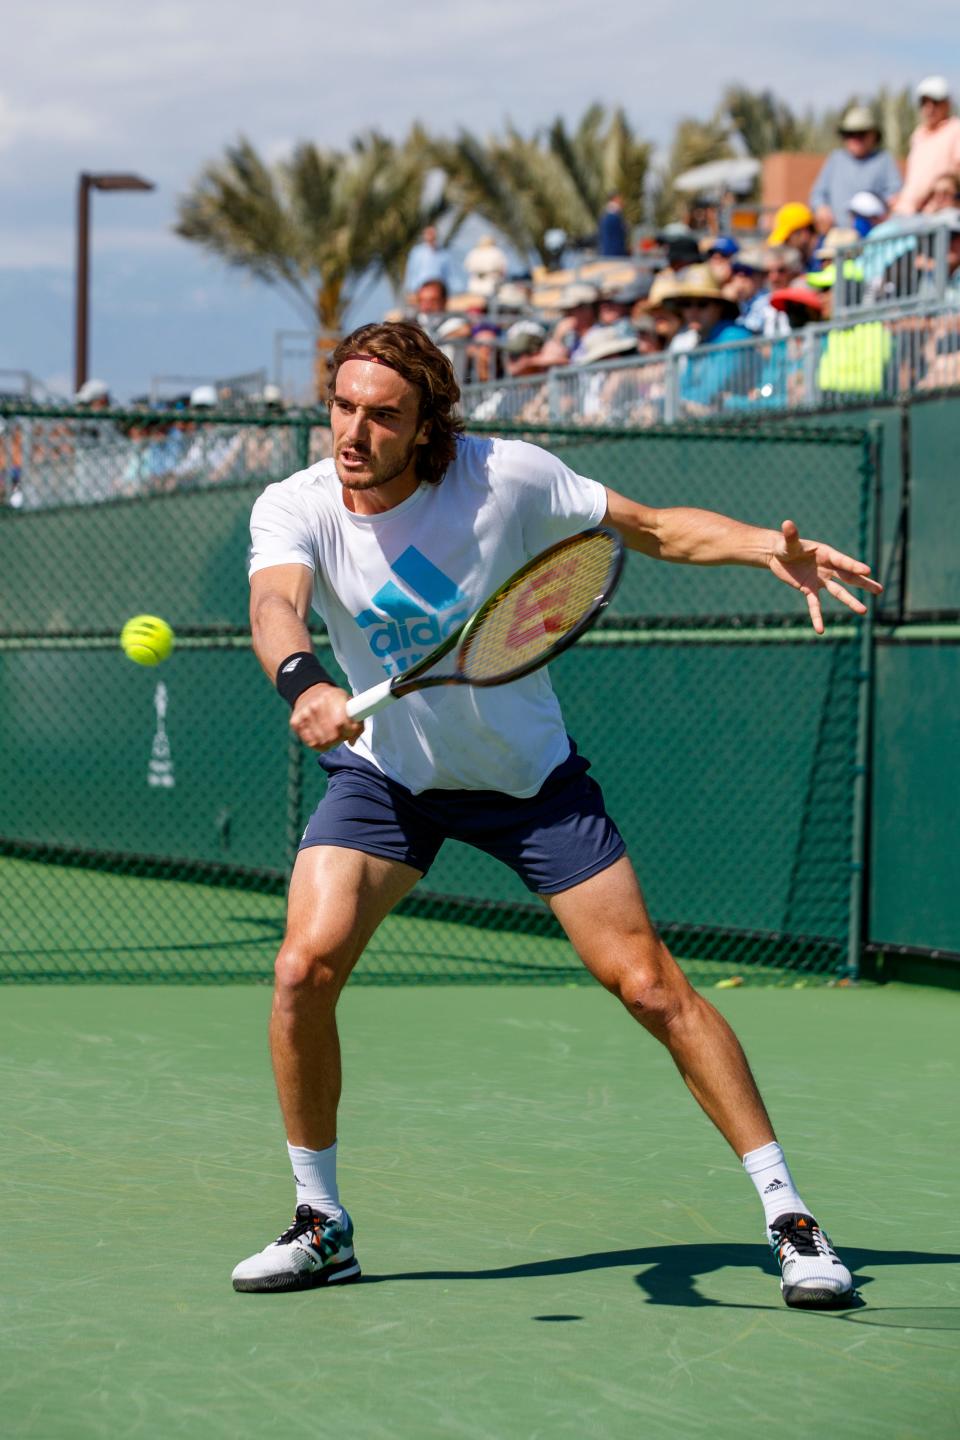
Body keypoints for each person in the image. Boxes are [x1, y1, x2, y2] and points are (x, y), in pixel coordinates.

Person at [234, 320, 880, 1304]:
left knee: (650, 988)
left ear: (426, 427)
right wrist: (301, 682)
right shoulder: (296, 504)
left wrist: (764, 550)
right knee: (301, 967)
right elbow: (276, 605)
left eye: (383, 416)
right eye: (344, 407)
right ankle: (321, 1221)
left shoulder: (508, 479)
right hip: (388, 779)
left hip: (530, 785)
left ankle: (789, 1217)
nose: (354, 433)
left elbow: (655, 528)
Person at [810, 106, 902, 233]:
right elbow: (818, 194)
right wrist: (821, 208)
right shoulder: (835, 159)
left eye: (861, 134)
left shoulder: (884, 160)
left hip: (872, 239)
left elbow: (894, 195)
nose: (855, 139)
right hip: (838, 236)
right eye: (850, 134)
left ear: (874, 135)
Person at [893, 77, 960, 216]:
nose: (929, 108)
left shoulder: (955, 129)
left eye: (935, 102)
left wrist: (950, 181)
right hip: (906, 211)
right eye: (924, 102)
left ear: (947, 104)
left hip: (936, 215)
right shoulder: (918, 135)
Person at [403, 225, 452, 305]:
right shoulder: (417, 252)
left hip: (438, 292)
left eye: (432, 233)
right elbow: (411, 272)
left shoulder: (443, 254)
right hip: (420, 291)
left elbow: (447, 275)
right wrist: (411, 291)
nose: (430, 236)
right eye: (428, 233)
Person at [597, 193, 629, 257]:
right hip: (614, 254)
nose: (622, 201)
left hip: (609, 253)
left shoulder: (607, 216)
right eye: (619, 199)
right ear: (615, 199)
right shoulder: (612, 217)